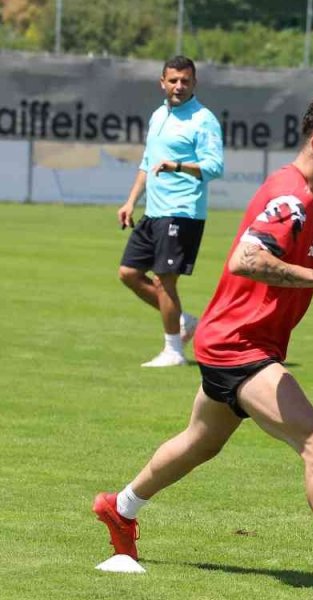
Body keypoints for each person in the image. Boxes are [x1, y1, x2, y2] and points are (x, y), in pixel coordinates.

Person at [92, 94, 313, 600]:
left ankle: (120, 507)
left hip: (236, 341)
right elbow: (246, 259)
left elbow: (287, 259)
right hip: (240, 348)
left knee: (200, 443)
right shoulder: (291, 198)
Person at [116, 56, 224, 367]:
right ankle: (184, 321)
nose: (179, 86)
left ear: (194, 83)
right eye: (173, 80)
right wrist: (131, 201)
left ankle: (173, 351)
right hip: (154, 211)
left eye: (185, 81)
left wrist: (178, 166)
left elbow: (214, 167)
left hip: (182, 211)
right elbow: (147, 163)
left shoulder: (203, 120)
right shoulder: (157, 116)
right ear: (162, 82)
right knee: (129, 273)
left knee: (165, 281)